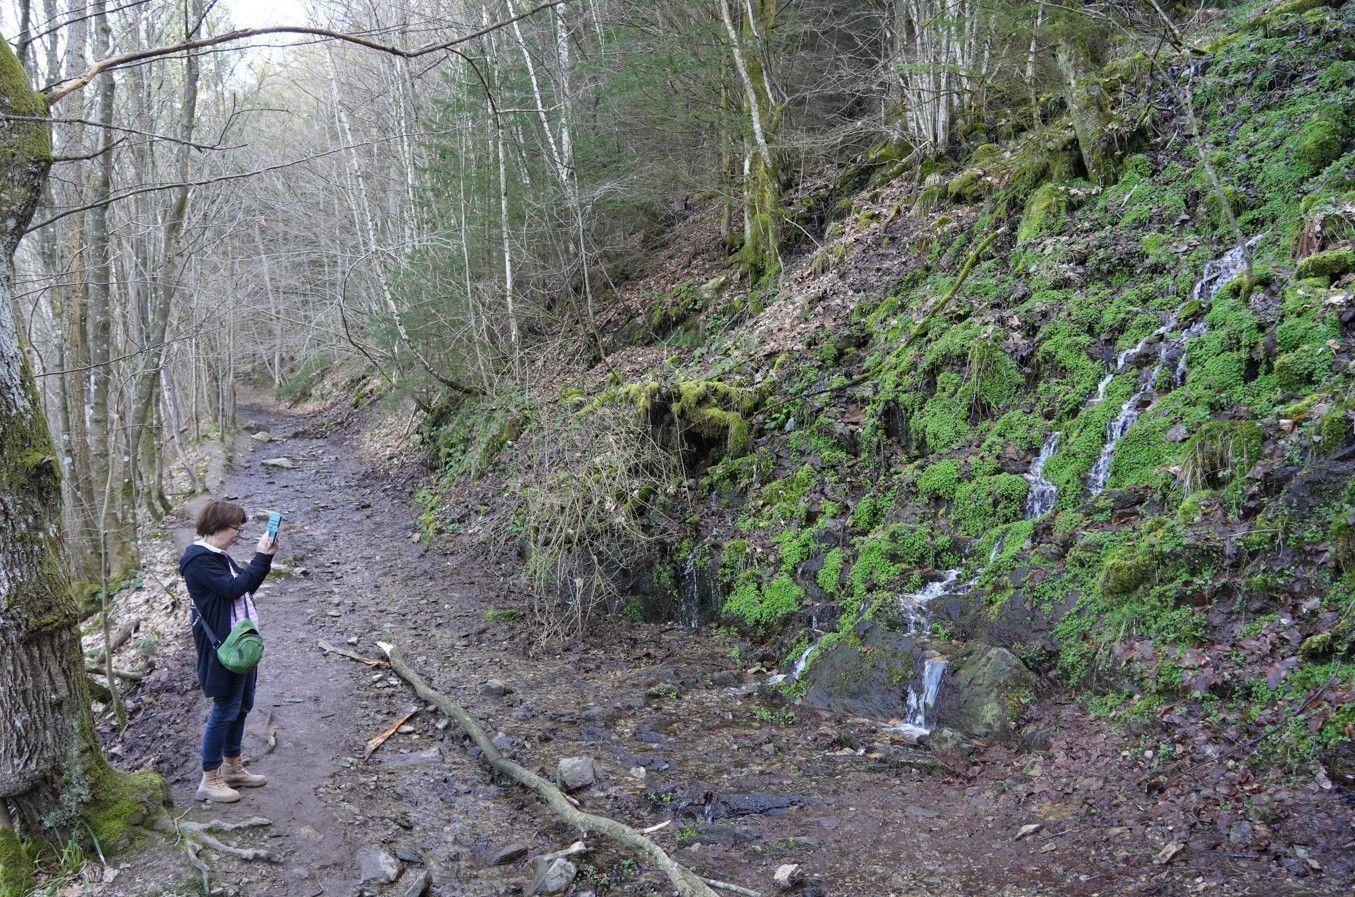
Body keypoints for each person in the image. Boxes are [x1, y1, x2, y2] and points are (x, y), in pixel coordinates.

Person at [179, 499, 279, 802]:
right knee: (225, 709)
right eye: (236, 528)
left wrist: (266, 560)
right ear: (217, 527)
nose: (238, 534)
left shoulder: (220, 556)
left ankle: (232, 767)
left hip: (241, 643)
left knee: (243, 704)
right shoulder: (198, 559)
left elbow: (244, 588)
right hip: (223, 647)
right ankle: (209, 779)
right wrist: (260, 557)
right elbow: (233, 589)